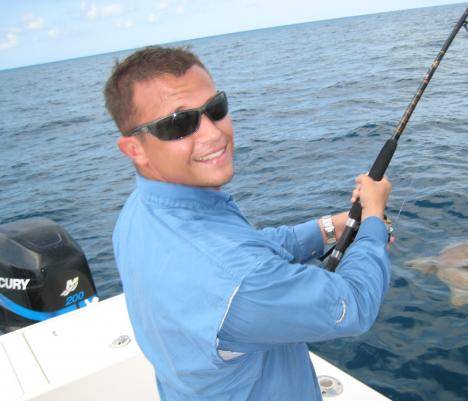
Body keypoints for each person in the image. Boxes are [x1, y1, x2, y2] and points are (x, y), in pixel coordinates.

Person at [105, 46, 392, 401]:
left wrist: (329, 228)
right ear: (135, 149)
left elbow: (245, 249)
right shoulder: (238, 280)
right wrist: (374, 219)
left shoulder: (142, 210)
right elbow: (354, 303)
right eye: (179, 123)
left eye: (215, 109)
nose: (213, 134)